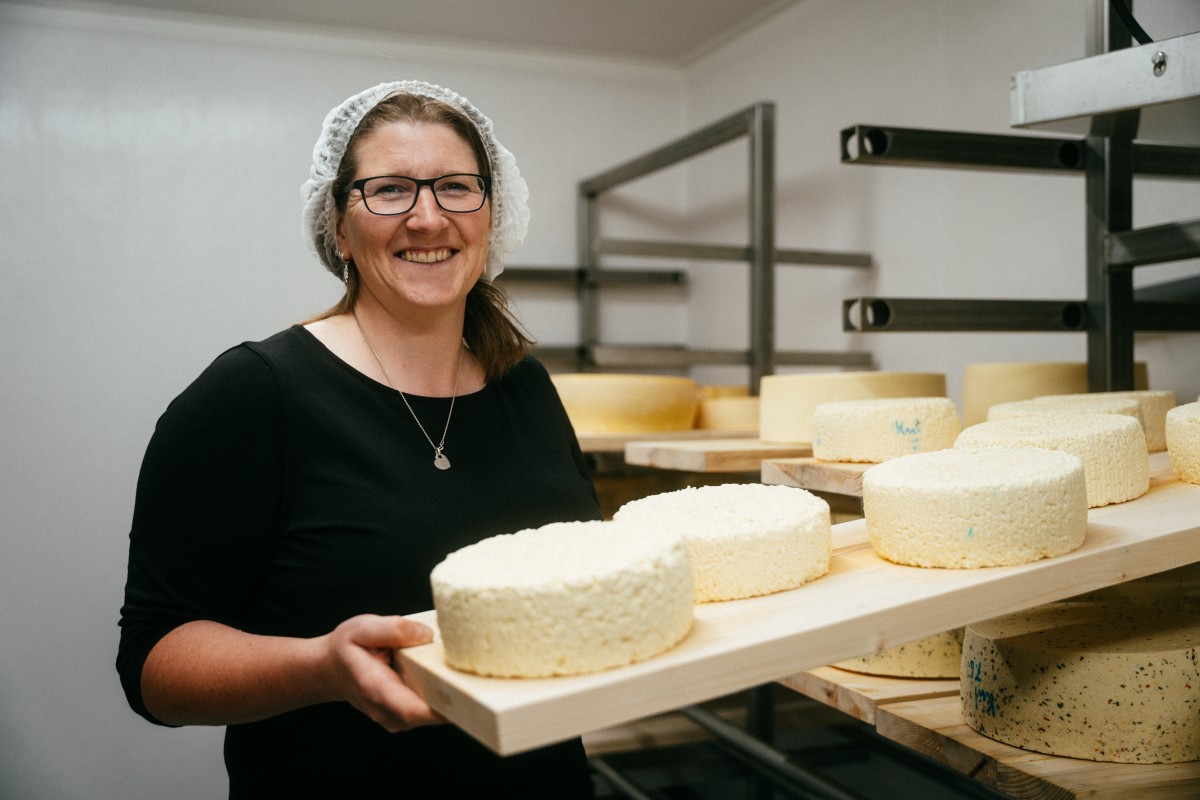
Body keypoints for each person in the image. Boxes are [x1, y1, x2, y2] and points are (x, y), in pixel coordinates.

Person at [117, 80, 602, 798]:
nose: (429, 218)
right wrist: (321, 666)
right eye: (390, 191)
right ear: (338, 227)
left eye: (456, 188)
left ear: (491, 214)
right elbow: (155, 664)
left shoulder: (523, 386)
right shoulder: (253, 395)